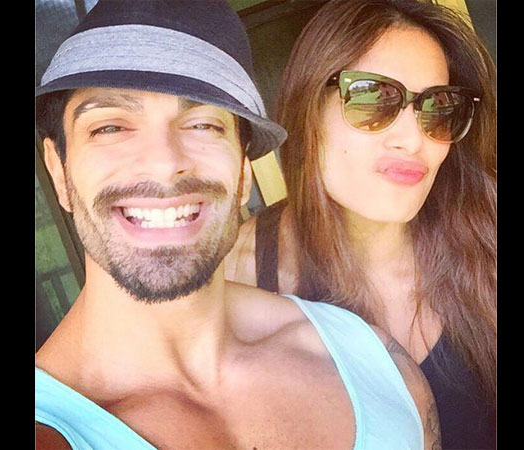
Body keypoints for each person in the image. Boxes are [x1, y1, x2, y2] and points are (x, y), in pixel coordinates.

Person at [35, 1, 442, 449]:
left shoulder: (367, 354)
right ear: (59, 171)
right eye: (110, 127)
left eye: (204, 125)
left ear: (244, 171)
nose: (165, 163)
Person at [225, 0, 496, 448]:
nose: (413, 139)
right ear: (308, 107)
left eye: (438, 107)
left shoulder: (485, 233)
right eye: (373, 97)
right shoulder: (236, 276)